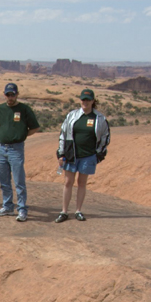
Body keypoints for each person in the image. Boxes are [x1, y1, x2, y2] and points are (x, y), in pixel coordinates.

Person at [0, 84, 39, 222]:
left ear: (17, 94)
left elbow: (35, 127)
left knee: (19, 181)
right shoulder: (1, 109)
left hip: (16, 149)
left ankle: (21, 209)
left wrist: (23, 134)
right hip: (1, 148)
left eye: (12, 95)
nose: (10, 98)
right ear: (4, 95)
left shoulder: (24, 109)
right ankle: (8, 206)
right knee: (4, 180)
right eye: (8, 95)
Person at [56, 89, 109, 222]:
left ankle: (78, 210)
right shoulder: (72, 115)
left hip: (88, 155)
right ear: (80, 100)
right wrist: (61, 153)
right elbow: (63, 134)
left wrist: (98, 154)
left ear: (93, 101)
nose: (85, 102)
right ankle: (64, 211)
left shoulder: (100, 118)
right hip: (71, 154)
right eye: (83, 99)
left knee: (82, 183)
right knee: (68, 182)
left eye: (88, 100)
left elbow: (105, 137)